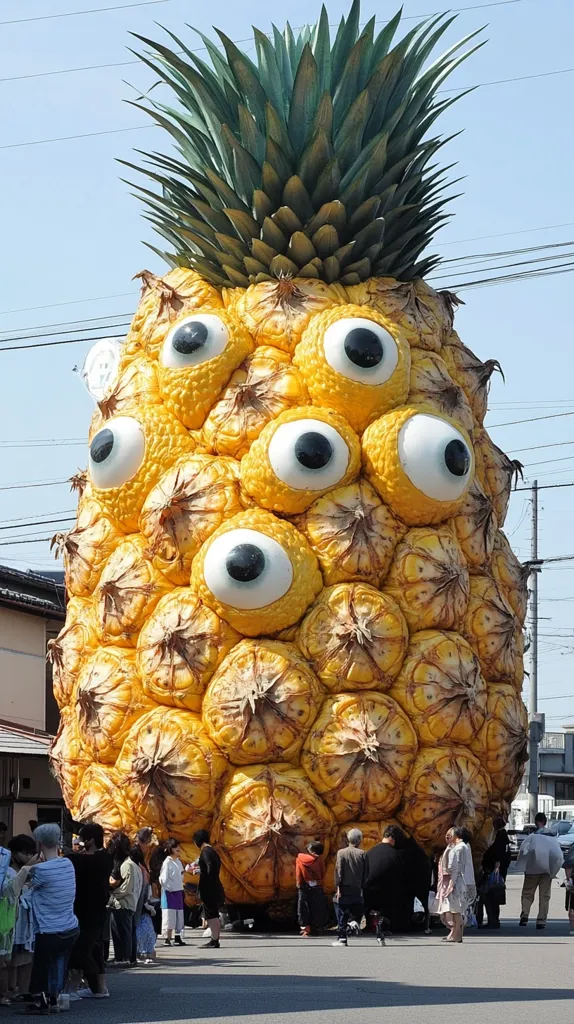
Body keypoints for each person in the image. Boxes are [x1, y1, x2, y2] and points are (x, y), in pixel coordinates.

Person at [26, 823, 79, 1014]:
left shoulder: (40, 871)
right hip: (70, 926)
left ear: (39, 843)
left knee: (41, 965)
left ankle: (41, 1001)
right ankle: (54, 998)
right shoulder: (68, 864)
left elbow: (26, 888)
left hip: (49, 929)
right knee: (59, 963)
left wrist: (31, 865)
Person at [66, 823, 113, 999]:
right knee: (95, 949)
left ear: (90, 840)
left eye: (82, 839)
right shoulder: (106, 858)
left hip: (85, 911)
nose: (79, 842)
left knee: (80, 950)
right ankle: (100, 988)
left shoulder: (86, 860)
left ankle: (72, 988)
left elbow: (77, 860)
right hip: (99, 909)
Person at [3, 835, 37, 1004]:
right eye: (26, 853)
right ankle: (9, 989)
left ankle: (22, 989)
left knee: (25, 954)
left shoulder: (32, 871)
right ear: (15, 853)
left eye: (32, 853)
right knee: (9, 956)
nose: (29, 856)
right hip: (10, 919)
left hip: (25, 918)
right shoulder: (7, 872)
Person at [517, 822, 563, 929]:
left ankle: (525, 914)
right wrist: (553, 871)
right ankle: (541, 920)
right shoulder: (552, 837)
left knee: (527, 893)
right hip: (547, 871)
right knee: (544, 896)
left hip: (532, 870)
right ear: (545, 822)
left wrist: (524, 865)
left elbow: (523, 851)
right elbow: (558, 855)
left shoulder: (532, 837)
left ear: (536, 822)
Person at [364, 825, 406, 940]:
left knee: (370, 908)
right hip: (386, 891)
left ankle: (370, 925)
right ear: (393, 838)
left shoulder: (370, 852)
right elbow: (399, 875)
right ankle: (384, 927)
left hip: (368, 888)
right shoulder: (395, 854)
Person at [108, 831, 141, 965]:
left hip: (123, 903)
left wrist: (111, 895)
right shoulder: (134, 864)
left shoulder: (127, 865)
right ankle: (129, 957)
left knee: (121, 933)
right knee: (128, 932)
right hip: (130, 903)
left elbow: (126, 888)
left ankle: (122, 958)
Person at [332, 828, 368, 947]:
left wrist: (337, 887)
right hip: (357, 888)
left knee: (341, 910)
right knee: (355, 909)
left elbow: (339, 871)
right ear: (360, 840)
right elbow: (366, 873)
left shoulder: (341, 853)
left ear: (348, 839)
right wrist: (362, 886)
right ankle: (353, 923)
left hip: (344, 887)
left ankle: (342, 937)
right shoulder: (363, 854)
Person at [191, 830, 224, 950]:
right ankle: (215, 939)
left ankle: (214, 940)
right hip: (215, 886)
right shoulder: (213, 851)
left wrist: (203, 874)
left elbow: (210, 867)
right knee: (213, 913)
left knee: (211, 914)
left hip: (209, 887)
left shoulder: (205, 851)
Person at [477, 816, 511, 929]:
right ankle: (493, 919)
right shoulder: (504, 836)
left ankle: (490, 920)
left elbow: (495, 853)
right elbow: (506, 856)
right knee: (494, 895)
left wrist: (495, 866)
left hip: (492, 869)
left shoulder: (497, 836)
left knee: (487, 895)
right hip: (499, 870)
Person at [437, 827, 467, 943]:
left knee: (455, 910)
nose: (447, 837)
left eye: (450, 835)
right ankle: (455, 933)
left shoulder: (454, 850)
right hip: (451, 882)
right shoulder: (450, 849)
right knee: (453, 910)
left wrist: (451, 884)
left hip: (453, 883)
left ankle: (457, 934)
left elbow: (454, 869)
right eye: (447, 834)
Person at [130, 847, 156, 964]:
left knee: (136, 930)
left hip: (137, 903)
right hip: (144, 905)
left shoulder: (137, 869)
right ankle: (147, 952)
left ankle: (137, 953)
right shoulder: (144, 869)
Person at [295, 842, 326, 937]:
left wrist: (299, 884)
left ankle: (305, 929)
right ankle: (317, 928)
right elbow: (322, 872)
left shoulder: (299, 859)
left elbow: (298, 873)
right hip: (316, 885)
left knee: (303, 907)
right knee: (317, 907)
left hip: (304, 886)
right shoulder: (319, 860)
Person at [159, 839, 186, 947]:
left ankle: (178, 936)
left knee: (179, 914)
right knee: (169, 915)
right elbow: (163, 878)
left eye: (178, 847)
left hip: (178, 891)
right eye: (175, 847)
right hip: (169, 892)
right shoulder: (167, 862)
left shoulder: (178, 861)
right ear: (170, 849)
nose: (178, 849)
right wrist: (168, 888)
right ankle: (167, 937)